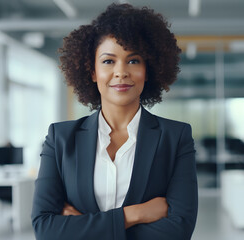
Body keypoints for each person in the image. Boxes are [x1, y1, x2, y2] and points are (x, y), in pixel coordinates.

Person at [31, 3, 198, 240]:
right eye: (108, 61)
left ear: (147, 70)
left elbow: (178, 231)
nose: (121, 72)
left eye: (133, 61)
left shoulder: (175, 137)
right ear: (92, 71)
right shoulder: (60, 138)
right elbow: (45, 229)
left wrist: (81, 228)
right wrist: (134, 214)